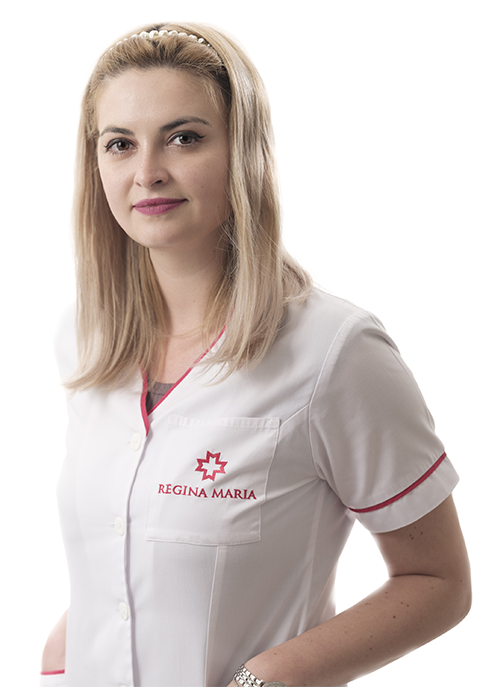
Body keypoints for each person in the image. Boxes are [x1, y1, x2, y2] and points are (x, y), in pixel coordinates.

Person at [40, 21, 471, 687]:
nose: (147, 172)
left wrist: (266, 677)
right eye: (120, 144)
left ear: (243, 150)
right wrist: (59, 658)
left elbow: (438, 580)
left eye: (184, 137)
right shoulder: (85, 337)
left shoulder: (335, 351)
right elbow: (120, 548)